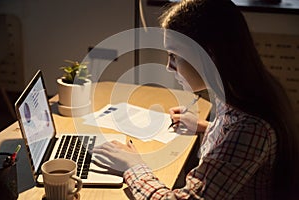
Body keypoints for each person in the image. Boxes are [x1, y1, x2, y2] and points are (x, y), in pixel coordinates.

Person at [93, 0, 299, 199]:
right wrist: (204, 126)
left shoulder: (251, 127)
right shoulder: (237, 93)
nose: (168, 66)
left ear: (210, 56)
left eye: (174, 55)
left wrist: (133, 165)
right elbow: (232, 145)